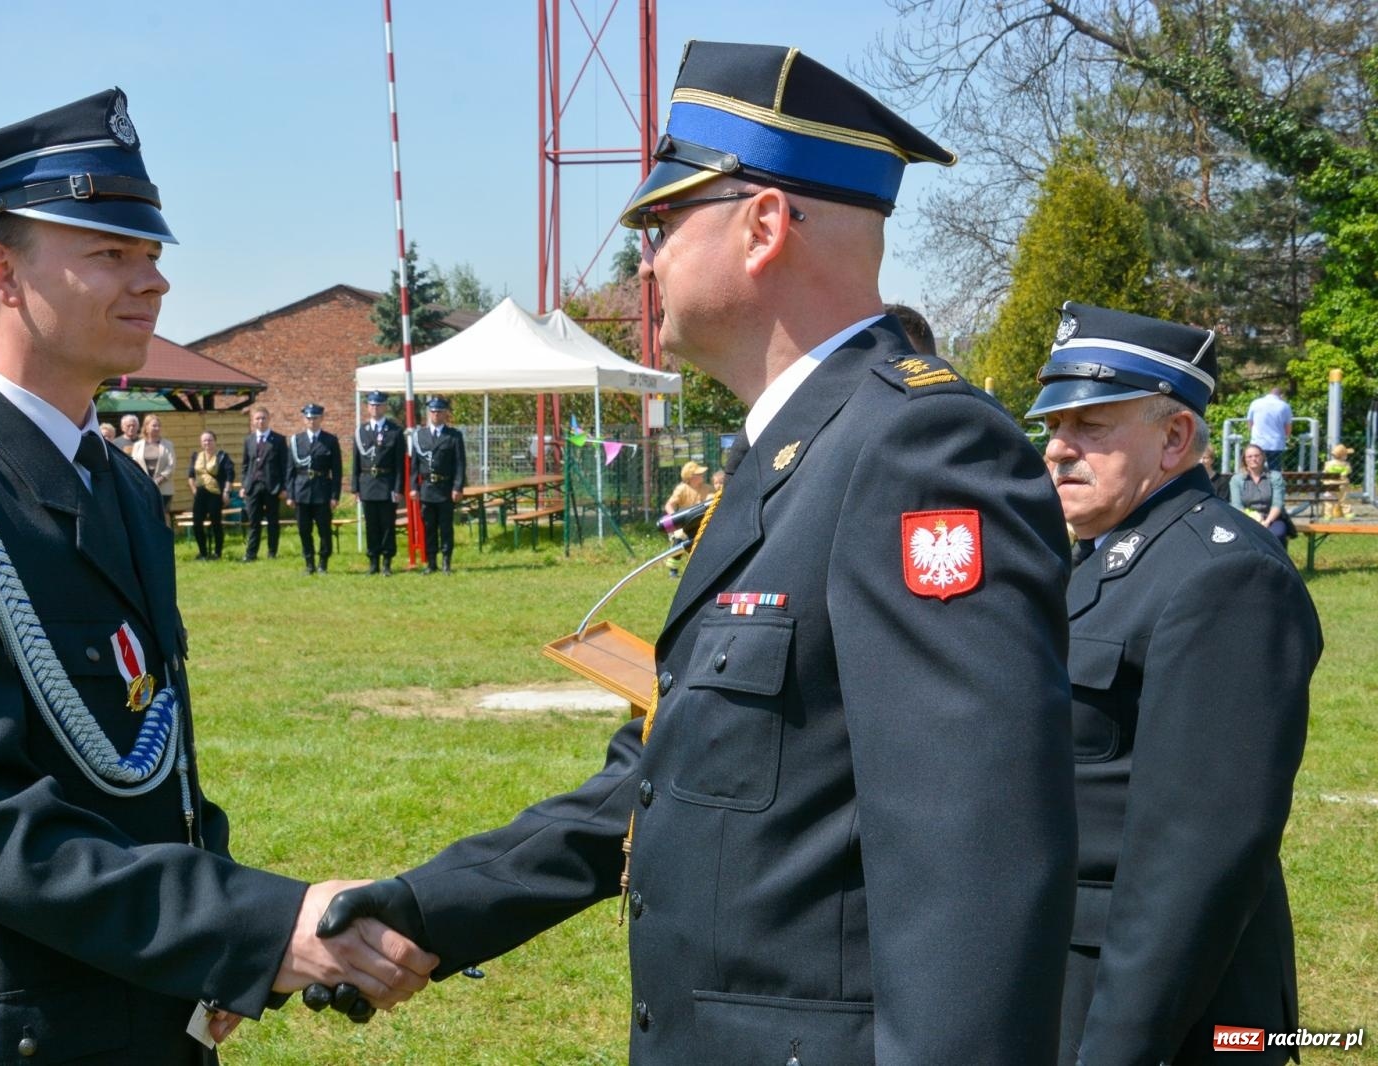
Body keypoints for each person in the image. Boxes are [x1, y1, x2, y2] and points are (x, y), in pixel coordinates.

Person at [319, 42, 1077, 1064]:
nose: (645, 257)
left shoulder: (913, 448)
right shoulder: (790, 452)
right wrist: (427, 907)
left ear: (763, 225)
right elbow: (667, 775)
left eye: (662, 221)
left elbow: (973, 859)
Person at [0, 88, 434, 1064]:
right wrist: (249, 925)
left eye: (151, 254)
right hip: (9, 1029)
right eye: (109, 253)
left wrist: (210, 939)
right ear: (1, 270)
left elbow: (158, 762)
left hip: (148, 1009)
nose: (151, 281)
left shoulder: (121, 490)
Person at [1027, 302, 1321, 1065]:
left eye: (1091, 426)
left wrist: (1119, 1049)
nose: (1059, 449)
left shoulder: (1222, 577)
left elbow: (1194, 864)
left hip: (1161, 1013)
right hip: (1071, 975)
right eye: (1055, 426)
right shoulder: (1104, 554)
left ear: (1175, 438)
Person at [409, 396, 465, 574]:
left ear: (445, 413)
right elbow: (414, 465)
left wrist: (457, 487)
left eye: (439, 411)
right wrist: (413, 487)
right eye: (432, 411)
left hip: (445, 488)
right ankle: (431, 562)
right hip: (426, 488)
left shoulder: (454, 436)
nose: (435, 414)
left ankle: (447, 561)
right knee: (429, 527)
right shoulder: (420, 435)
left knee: (446, 527)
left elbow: (460, 464)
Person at [287, 402, 342, 574]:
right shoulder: (296, 441)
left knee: (324, 530)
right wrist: (290, 494)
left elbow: (337, 471)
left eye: (315, 418)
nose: (312, 421)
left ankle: (323, 563)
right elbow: (290, 470)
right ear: (304, 419)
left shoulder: (330, 440)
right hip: (301, 490)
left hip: (322, 490)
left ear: (321, 418)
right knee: (304, 530)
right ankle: (309, 563)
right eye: (308, 418)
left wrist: (335, 496)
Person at [353, 391, 404, 575]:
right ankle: (373, 561)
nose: (375, 408)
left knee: (387, 525)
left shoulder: (395, 431)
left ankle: (387, 562)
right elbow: (356, 462)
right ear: (367, 407)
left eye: (379, 405)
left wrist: (398, 488)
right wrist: (355, 488)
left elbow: (399, 464)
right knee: (371, 525)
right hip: (367, 483)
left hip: (387, 483)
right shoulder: (361, 431)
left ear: (385, 407)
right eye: (372, 405)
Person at [240, 404, 288, 562]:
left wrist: (284, 487)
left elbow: (284, 465)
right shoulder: (249, 440)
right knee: (254, 521)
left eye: (263, 418)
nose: (260, 421)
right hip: (253, 487)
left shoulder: (279, 440)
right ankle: (251, 554)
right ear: (253, 421)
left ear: (269, 419)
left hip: (272, 487)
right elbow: (246, 465)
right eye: (257, 418)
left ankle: (272, 552)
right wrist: (244, 485)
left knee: (273, 521)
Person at [1230, 443, 1292, 546]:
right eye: (1249, 456)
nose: (1253, 459)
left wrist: (1267, 522)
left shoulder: (1275, 477)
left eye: (1257, 456)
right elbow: (1237, 505)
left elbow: (1277, 504)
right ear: (1244, 459)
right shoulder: (1237, 480)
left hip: (1272, 519)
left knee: (1276, 534)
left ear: (1263, 457)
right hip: (1246, 519)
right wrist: (1252, 520)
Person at [188, 429, 234, 560]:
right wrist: (193, 490)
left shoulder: (222, 456)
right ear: (201, 442)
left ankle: (217, 553)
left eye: (210, 440)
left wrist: (226, 492)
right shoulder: (196, 456)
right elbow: (191, 475)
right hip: (200, 494)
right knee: (197, 523)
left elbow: (230, 475)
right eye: (204, 440)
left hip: (216, 494)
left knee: (216, 523)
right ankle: (202, 552)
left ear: (215, 441)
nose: (207, 442)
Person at [661, 459, 709, 578]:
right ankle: (673, 568)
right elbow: (669, 505)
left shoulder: (707, 488)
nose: (702, 475)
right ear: (691, 476)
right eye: (698, 474)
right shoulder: (682, 489)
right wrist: (675, 520)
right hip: (686, 523)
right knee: (680, 536)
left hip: (703, 521)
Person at [128, 411, 177, 527]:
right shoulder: (138, 445)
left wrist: (159, 479)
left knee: (163, 516)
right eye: (154, 425)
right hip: (144, 487)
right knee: (147, 515)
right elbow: (134, 465)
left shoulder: (168, 444)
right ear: (146, 427)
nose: (157, 428)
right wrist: (145, 481)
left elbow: (171, 465)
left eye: (158, 426)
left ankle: (166, 542)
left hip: (164, 488)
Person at [1245, 385, 1294, 470]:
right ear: (1281, 396)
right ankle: (1273, 483)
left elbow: (1250, 423)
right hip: (1276, 443)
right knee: (1274, 470)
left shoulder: (1255, 403)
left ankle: (1257, 483)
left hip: (1257, 442)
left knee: (1256, 468)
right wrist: (1286, 436)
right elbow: (1288, 428)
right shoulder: (1285, 406)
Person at [1323, 442, 1354, 518]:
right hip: (1342, 485)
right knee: (1344, 499)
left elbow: (1324, 473)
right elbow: (1349, 471)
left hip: (1330, 485)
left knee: (1329, 501)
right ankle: (1348, 514)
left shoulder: (1328, 464)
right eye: (1346, 455)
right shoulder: (1346, 464)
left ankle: (1327, 515)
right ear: (1343, 456)